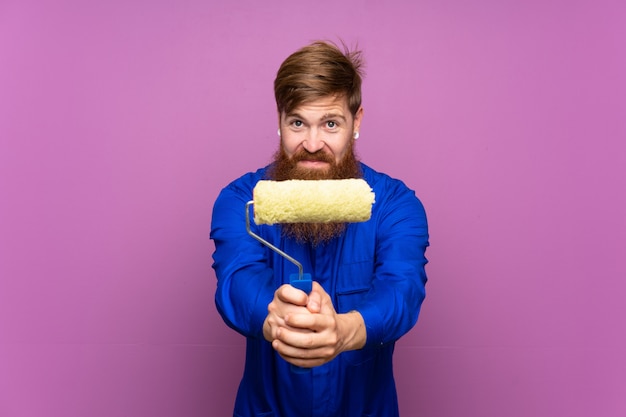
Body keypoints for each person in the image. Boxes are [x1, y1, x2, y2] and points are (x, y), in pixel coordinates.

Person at [210, 40, 429, 417]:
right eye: (298, 123)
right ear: (279, 121)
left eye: (330, 123)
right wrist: (274, 316)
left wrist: (344, 331)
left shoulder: (395, 205)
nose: (313, 144)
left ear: (356, 121)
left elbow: (403, 289)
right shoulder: (241, 200)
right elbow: (236, 278)